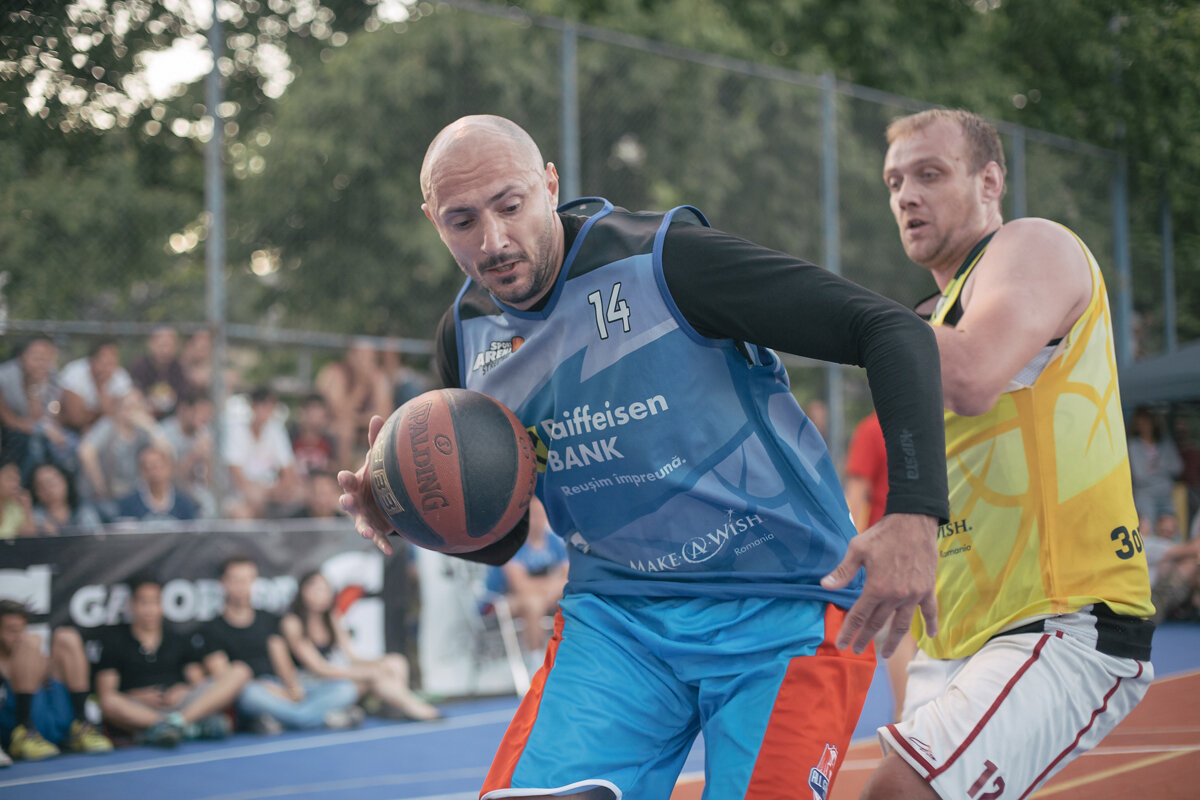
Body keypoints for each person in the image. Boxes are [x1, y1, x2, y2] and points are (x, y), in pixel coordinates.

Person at [338, 114, 949, 799]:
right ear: (432, 220)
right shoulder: (469, 335)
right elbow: (500, 536)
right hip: (620, 621)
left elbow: (891, 330)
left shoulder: (667, 260)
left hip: (788, 608)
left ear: (549, 184)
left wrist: (915, 514)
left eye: (510, 206)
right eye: (461, 221)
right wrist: (408, 508)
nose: (494, 240)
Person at [861, 108, 1156, 800]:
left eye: (930, 174)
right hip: (956, 636)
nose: (906, 194)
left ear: (991, 180)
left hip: (1062, 619)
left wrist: (847, 316)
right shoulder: (928, 320)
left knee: (898, 791)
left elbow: (971, 376)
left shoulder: (1033, 247)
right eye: (894, 180)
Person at [198, 556, 362, 733]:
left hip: (282, 684)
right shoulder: (211, 628)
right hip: (253, 689)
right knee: (248, 695)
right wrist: (267, 688)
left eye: (247, 580)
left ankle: (283, 719)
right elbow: (223, 676)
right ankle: (319, 718)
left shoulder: (268, 619)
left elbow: (281, 659)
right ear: (223, 583)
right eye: (236, 580)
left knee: (346, 689)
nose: (242, 586)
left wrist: (291, 688)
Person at [95, 577, 250, 746]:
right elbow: (106, 691)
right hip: (141, 710)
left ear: (162, 605)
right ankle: (183, 728)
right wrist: (137, 696)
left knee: (240, 671)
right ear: (132, 605)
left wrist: (183, 691)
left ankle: (176, 724)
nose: (150, 609)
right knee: (108, 702)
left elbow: (197, 683)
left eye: (155, 602)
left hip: (181, 707)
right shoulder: (114, 641)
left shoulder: (176, 638)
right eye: (143, 603)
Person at [280, 570, 440, 721]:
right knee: (371, 677)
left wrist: (378, 665)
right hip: (312, 683)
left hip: (335, 673)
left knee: (396, 662)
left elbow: (352, 656)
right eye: (315, 589)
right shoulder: (293, 622)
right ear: (303, 591)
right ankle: (415, 707)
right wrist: (366, 672)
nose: (320, 595)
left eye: (324, 589)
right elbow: (319, 668)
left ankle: (396, 705)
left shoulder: (331, 617)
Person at [843, 410, 915, 722]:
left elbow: (856, 495)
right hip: (931, 540)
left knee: (901, 632)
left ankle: (904, 715)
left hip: (890, 546)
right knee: (915, 630)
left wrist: (850, 550)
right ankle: (911, 715)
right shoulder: (930, 420)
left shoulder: (873, 428)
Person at [0, 600, 113, 762]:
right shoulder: (27, 645)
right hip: (13, 727)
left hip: (55, 721)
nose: (18, 637)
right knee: (31, 642)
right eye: (11, 631)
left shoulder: (34, 655)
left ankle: (82, 724)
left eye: (21, 630)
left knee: (67, 636)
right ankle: (25, 732)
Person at [483, 496, 568, 657]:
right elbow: (520, 586)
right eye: (533, 515)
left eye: (541, 514)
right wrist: (553, 587)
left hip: (541, 598)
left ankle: (570, 658)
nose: (538, 520)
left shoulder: (554, 542)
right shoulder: (512, 545)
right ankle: (536, 661)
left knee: (573, 600)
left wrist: (552, 589)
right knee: (533, 603)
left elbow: (569, 579)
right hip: (498, 603)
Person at [76, 388, 170, 519]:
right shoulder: (108, 426)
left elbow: (167, 454)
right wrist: (99, 484)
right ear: (119, 409)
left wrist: (150, 425)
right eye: (129, 407)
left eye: (137, 408)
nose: (132, 413)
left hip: (132, 498)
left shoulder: (143, 432)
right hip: (103, 499)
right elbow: (85, 451)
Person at [222, 387, 303, 519]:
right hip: (240, 496)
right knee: (242, 514)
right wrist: (262, 493)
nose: (267, 412)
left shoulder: (276, 430)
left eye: (270, 407)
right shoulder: (237, 431)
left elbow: (288, 472)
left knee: (303, 495)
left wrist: (274, 491)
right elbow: (238, 479)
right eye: (263, 406)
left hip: (270, 492)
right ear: (254, 407)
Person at [0, 336, 73, 479]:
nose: (41, 362)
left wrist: (35, 387)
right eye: (37, 356)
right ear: (22, 356)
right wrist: (42, 429)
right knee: (33, 445)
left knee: (69, 445)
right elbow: (7, 418)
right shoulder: (5, 376)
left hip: (31, 429)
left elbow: (45, 415)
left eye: (46, 358)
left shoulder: (52, 378)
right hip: (9, 431)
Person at [316, 341, 393, 467]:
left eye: (371, 358)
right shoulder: (336, 373)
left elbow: (384, 417)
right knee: (346, 430)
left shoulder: (378, 378)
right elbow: (338, 413)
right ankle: (342, 478)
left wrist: (359, 420)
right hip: (332, 427)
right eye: (363, 357)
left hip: (361, 429)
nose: (367, 362)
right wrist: (361, 387)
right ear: (351, 356)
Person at [159, 388, 216, 517]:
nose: (204, 418)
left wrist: (207, 459)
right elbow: (171, 478)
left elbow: (211, 481)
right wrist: (194, 454)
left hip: (198, 492)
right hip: (173, 494)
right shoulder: (164, 434)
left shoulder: (205, 433)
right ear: (184, 409)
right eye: (200, 412)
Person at [1127, 406, 1183, 536]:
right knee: (1147, 531)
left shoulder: (1165, 442)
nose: (1144, 426)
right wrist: (1163, 469)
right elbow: (1139, 476)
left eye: (1147, 421)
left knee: (1172, 531)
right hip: (1145, 495)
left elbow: (1178, 467)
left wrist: (1153, 468)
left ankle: (1177, 555)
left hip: (1166, 494)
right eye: (1141, 423)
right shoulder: (1133, 445)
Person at [58, 340, 133, 435]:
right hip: (70, 430)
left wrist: (102, 388)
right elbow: (76, 418)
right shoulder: (74, 372)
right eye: (105, 361)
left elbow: (121, 415)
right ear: (92, 360)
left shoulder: (120, 375)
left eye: (112, 362)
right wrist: (103, 413)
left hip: (104, 430)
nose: (108, 367)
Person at [113, 444, 200, 522]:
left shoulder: (184, 505)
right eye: (147, 468)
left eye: (156, 467)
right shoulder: (128, 505)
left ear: (169, 468)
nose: (153, 473)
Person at [128, 325, 190, 420]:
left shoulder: (179, 368)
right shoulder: (140, 367)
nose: (165, 351)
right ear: (151, 344)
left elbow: (184, 398)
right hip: (144, 416)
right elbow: (135, 394)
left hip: (173, 420)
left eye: (169, 345)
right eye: (161, 345)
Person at [29, 462, 103, 535]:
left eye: (51, 483)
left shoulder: (84, 512)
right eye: (41, 485)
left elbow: (96, 538)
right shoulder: (34, 517)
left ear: (65, 481)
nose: (47, 489)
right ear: (35, 491)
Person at [289, 393, 337, 477]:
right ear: (303, 413)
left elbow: (335, 468)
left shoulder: (329, 441)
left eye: (321, 413)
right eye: (313, 412)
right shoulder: (291, 438)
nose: (317, 417)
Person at [0, 461, 35, 539]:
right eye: (10, 479)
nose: (15, 485)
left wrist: (27, 509)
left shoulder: (15, 507)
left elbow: (28, 539)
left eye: (17, 480)